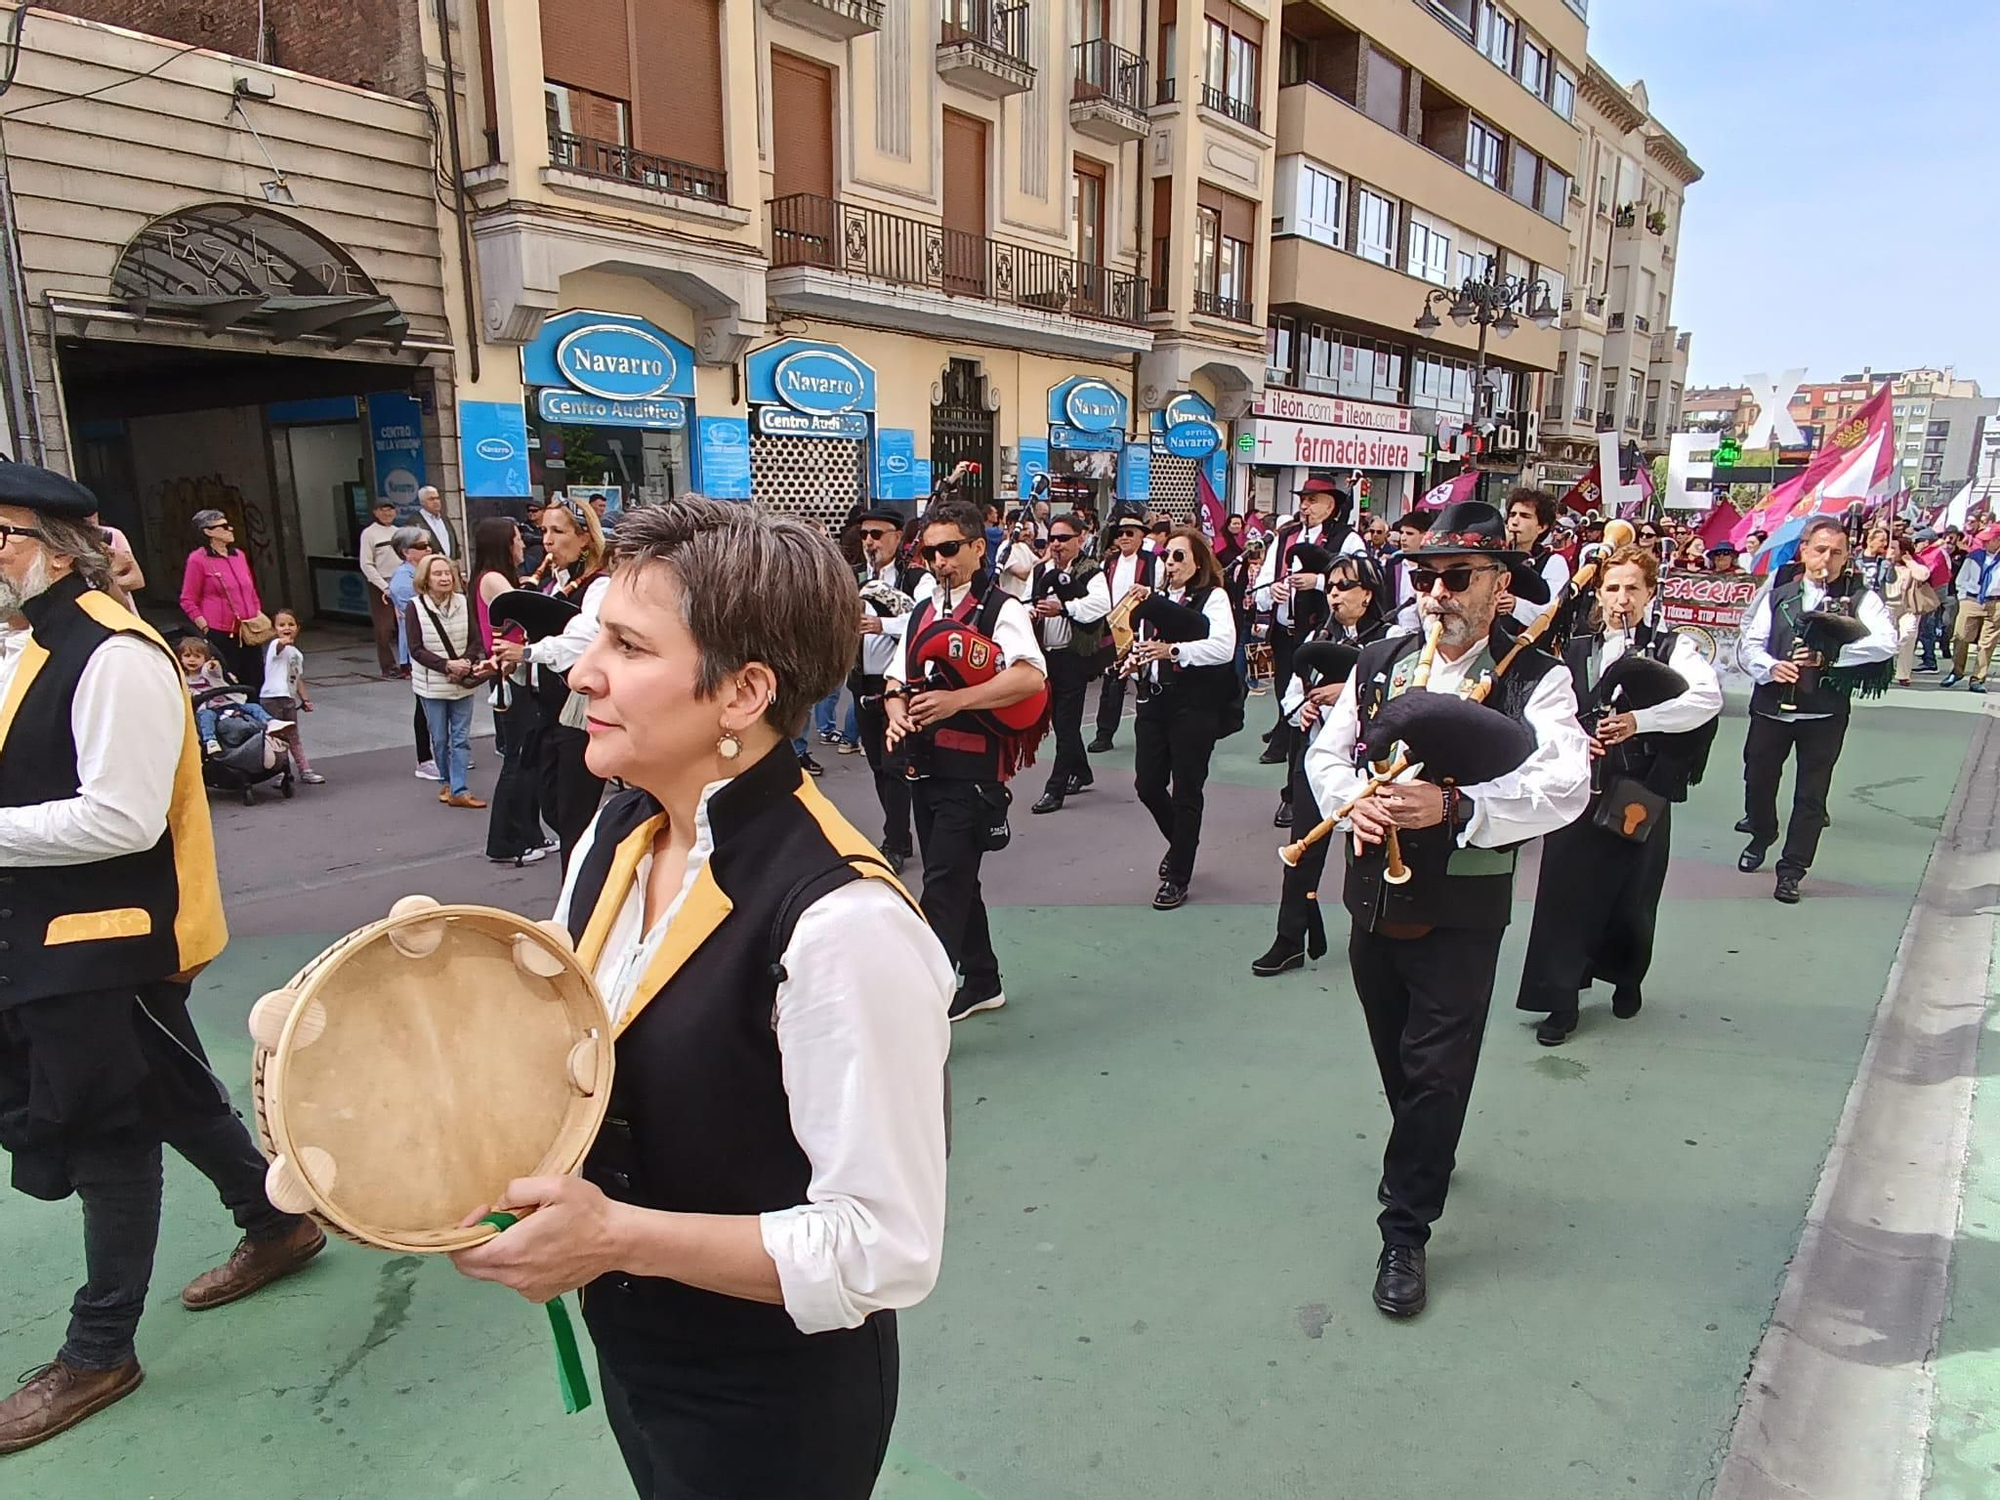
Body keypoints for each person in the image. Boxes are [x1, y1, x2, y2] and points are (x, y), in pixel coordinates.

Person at [449, 498, 950, 1500]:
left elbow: (884, 1248)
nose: (583, 671)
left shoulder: (842, 922)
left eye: (628, 646)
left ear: (743, 693)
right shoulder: (620, 832)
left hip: (770, 1398)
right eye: (596, 635)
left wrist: (614, 1237)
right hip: (639, 1344)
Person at [0, 464, 324, 1454]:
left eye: (0, 536)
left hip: (104, 944)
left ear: (57, 548)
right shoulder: (40, 641)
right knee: (175, 1092)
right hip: (60, 938)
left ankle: (99, 1351)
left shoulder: (113, 652)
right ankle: (277, 1222)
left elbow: (121, 817)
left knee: (109, 1135)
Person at [1303, 499, 1590, 1317]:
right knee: (1398, 1057)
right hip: (1372, 896)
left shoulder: (1537, 676)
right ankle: (1427, 1146)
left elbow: (1566, 784)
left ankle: (1406, 1229)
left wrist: (1459, 808)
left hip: (1463, 907)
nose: (1436, 593)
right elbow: (1327, 753)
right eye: (1424, 577)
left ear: (1501, 585)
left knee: (1436, 1070)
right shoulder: (1380, 659)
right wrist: (1354, 802)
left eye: (1457, 577)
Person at [1516, 545, 1722, 1043]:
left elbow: (1706, 699)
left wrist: (1639, 721)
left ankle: (1626, 978)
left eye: (1633, 588)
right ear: (1599, 593)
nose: (1621, 598)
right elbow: (1547, 711)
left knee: (1633, 895)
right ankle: (1561, 999)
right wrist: (1573, 740)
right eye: (1612, 588)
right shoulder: (1574, 648)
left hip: (1640, 789)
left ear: (1650, 593)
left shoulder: (1673, 649)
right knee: (1563, 894)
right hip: (1576, 788)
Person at [884, 500, 1047, 1021]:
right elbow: (896, 678)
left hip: (974, 773)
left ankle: (922, 1009)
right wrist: (895, 712)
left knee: (942, 886)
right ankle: (982, 979)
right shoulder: (922, 610)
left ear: (979, 547)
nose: (940, 560)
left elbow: (1030, 677)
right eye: (930, 551)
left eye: (950, 548)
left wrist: (956, 701)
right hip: (925, 766)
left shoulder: (1003, 609)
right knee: (954, 878)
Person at [1738, 516, 1897, 903]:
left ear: (1846, 557)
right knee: (1758, 778)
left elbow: (1886, 642)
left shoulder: (1860, 597)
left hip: (1824, 713)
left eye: (1837, 552)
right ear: (1804, 550)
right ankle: (1762, 832)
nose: (1827, 558)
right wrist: (1771, 667)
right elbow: (1750, 643)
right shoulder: (1778, 592)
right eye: (1820, 549)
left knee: (1811, 795)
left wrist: (1832, 657)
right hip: (1772, 707)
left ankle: (1792, 870)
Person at [1253, 553, 1394, 976]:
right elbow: (1292, 693)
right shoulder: (1319, 634)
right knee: (1302, 850)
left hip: (1370, 766)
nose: (1334, 594)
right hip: (1317, 758)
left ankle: (1377, 940)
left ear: (1367, 594)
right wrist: (1303, 710)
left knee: (1370, 854)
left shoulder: (1392, 640)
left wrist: (1346, 693)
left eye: (1344, 586)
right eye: (1330, 587)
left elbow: (1400, 698)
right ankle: (1290, 939)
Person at [490, 496, 610, 863]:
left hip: (579, 714)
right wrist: (514, 664)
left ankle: (578, 893)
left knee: (574, 817)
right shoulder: (551, 586)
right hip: (545, 711)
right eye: (544, 531)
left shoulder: (599, 587)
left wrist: (527, 653)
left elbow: (583, 639)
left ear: (585, 538)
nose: (547, 541)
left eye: (558, 531)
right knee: (552, 807)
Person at [1125, 527, 1237, 909]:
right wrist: (1134, 661)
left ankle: (1178, 875)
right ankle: (1182, 844)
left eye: (1179, 556)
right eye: (1166, 556)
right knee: (1147, 785)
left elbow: (1222, 648)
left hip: (1194, 705)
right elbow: (1144, 644)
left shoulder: (1213, 597)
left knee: (1187, 790)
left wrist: (1172, 651)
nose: (1170, 563)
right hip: (1153, 703)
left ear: (1197, 563)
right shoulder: (1153, 598)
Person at [1253, 478, 1367, 765]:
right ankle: (1284, 739)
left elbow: (1359, 580)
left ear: (1330, 506)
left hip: (1322, 630)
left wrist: (1317, 581)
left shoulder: (1347, 538)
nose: (1305, 506)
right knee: (1285, 688)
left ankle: (1299, 746)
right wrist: (1272, 590)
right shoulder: (1285, 536)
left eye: (1312, 500)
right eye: (1303, 500)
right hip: (1284, 629)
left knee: (1313, 689)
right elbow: (1265, 577)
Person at [470, 516, 548, 867]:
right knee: (518, 758)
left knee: (529, 756)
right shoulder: (493, 579)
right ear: (504, 543)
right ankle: (506, 841)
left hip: (518, 670)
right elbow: (527, 611)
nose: (523, 544)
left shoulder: (498, 578)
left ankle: (530, 833)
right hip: (510, 672)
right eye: (518, 538)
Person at [848, 509, 918, 874]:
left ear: (897, 536)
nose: (870, 542)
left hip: (897, 687)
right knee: (878, 765)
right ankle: (900, 834)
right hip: (862, 681)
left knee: (894, 766)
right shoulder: (855, 577)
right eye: (864, 535)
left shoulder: (915, 577)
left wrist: (882, 624)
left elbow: (924, 620)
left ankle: (894, 841)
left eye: (877, 534)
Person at [1028, 515, 1112, 816]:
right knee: (1060, 721)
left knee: (1065, 724)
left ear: (1081, 538)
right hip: (1045, 656)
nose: (1056, 544)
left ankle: (1055, 788)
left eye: (1063, 538)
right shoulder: (1041, 570)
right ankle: (1082, 771)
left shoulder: (1091, 571)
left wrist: (1063, 608)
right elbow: (1026, 600)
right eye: (1052, 538)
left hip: (1073, 657)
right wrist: (1031, 612)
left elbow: (1100, 606)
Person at [405, 553, 486, 810]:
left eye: (448, 573)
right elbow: (416, 649)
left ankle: (459, 789)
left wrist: (466, 662)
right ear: (425, 579)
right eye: (437, 574)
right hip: (432, 685)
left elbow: (476, 639)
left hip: (462, 682)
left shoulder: (463, 601)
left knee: (460, 738)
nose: (444, 578)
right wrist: (446, 665)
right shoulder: (415, 607)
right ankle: (447, 782)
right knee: (439, 739)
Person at [1088, 515, 1158, 752]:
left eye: (1130, 533)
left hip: (1141, 631)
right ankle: (1104, 734)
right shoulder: (1109, 562)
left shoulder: (1152, 561)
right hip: (1113, 632)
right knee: (1111, 685)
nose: (1124, 537)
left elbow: (1161, 591)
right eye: (1120, 533)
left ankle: (1149, 735)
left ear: (1141, 536)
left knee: (1145, 684)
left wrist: (1146, 591)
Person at [177, 508, 265, 689]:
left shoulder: (238, 555)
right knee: (229, 678)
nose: (230, 529)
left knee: (256, 677)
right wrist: (204, 625)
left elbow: (250, 589)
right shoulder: (198, 559)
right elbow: (187, 599)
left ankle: (254, 706)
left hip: (249, 630)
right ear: (208, 532)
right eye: (223, 526)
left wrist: (257, 612)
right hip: (221, 631)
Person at [387, 527, 441, 781]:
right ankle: (425, 758)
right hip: (419, 650)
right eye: (421, 546)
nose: (428, 549)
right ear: (406, 552)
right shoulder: (403, 580)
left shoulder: (424, 573)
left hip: (436, 647)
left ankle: (440, 753)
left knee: (437, 701)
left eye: (428, 544)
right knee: (424, 704)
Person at [178, 636, 278, 755]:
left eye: (197, 656)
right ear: (180, 658)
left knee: (253, 707)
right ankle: (210, 740)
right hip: (210, 709)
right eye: (187, 656)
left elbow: (213, 670)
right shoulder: (183, 678)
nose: (192, 660)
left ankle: (270, 721)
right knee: (206, 717)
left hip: (228, 703)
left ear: (205, 659)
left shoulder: (208, 673)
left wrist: (213, 665)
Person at [257, 608, 323, 784]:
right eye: (281, 625)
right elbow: (279, 646)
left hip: (288, 698)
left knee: (293, 735)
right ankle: (280, 772)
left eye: (291, 624)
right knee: (276, 736)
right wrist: (283, 641)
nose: (287, 627)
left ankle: (305, 770)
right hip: (271, 698)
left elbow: (297, 678)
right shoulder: (275, 646)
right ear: (274, 629)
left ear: (297, 628)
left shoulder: (296, 654)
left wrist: (305, 699)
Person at [1501, 488, 1573, 625]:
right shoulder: (1494, 555)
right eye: (1512, 515)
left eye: (1525, 516)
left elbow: (1551, 609)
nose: (1515, 522)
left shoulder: (1554, 562)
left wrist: (1516, 605)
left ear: (1541, 527)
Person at [1942, 525, 2000, 692]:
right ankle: (1957, 670)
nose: (1984, 543)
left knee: (1987, 643)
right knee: (1961, 636)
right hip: (1972, 600)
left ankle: (1978, 679)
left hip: (1995, 602)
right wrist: (1963, 598)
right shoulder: (1974, 556)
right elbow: (1961, 579)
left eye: (1988, 540)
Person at [356, 497, 405, 677]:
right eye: (382, 510)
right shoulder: (369, 533)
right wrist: (383, 586)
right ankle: (388, 666)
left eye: (390, 509)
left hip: (401, 582)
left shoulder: (399, 532)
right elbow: (366, 564)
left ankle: (407, 663)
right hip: (381, 584)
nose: (387, 513)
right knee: (384, 628)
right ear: (375, 512)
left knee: (407, 625)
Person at [1883, 536, 1932, 687]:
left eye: (1894, 548)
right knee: (1887, 637)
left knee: (1908, 635)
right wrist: (1888, 562)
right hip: (1887, 605)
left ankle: (1903, 673)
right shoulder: (1884, 564)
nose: (1890, 550)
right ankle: (1885, 670)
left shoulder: (1913, 564)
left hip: (1909, 605)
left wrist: (1909, 561)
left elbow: (1923, 575)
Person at [409, 484, 459, 565]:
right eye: (431, 499)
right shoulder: (415, 521)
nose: (436, 502)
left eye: (437, 498)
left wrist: (457, 558)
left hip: (449, 565)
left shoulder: (444, 518)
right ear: (422, 502)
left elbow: (454, 542)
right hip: (429, 566)